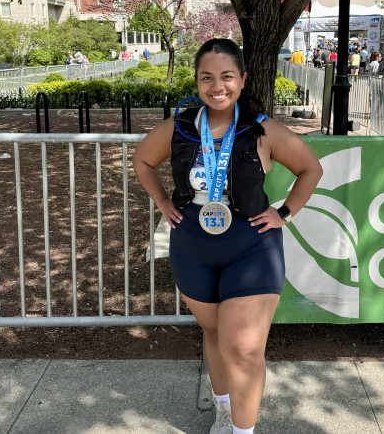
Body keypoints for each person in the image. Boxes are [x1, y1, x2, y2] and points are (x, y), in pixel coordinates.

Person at [133, 38, 323, 434]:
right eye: (207, 77)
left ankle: (243, 430)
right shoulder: (181, 128)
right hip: (193, 247)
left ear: (242, 79)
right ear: (197, 81)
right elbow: (143, 160)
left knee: (244, 348)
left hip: (251, 247)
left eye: (227, 76)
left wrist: (284, 213)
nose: (217, 86)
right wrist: (163, 202)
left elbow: (311, 169)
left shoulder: (262, 129)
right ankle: (224, 411)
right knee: (216, 332)